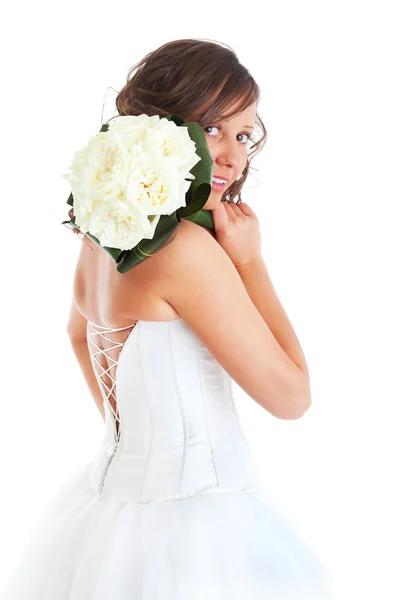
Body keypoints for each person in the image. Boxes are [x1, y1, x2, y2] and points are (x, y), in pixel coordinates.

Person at [1, 38, 336, 599]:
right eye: (212, 128)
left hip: (108, 510)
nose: (233, 155)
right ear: (160, 131)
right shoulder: (184, 251)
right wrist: (251, 261)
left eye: (244, 134)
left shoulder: (103, 233)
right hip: (199, 529)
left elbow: (78, 333)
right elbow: (291, 396)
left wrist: (130, 437)